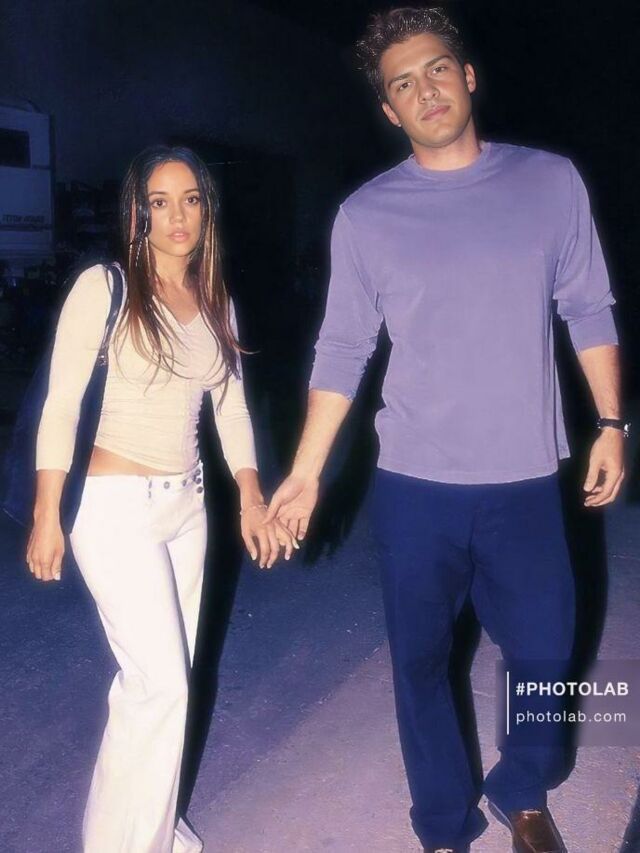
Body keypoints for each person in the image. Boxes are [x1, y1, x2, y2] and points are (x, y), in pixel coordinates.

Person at [266, 7, 626, 853]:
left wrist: (611, 421)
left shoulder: (550, 183)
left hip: (526, 478)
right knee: (420, 661)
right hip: (415, 485)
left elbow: (588, 306)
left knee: (546, 652)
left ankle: (523, 786)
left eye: (435, 69)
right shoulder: (366, 216)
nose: (423, 89)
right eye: (402, 83)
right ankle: (442, 824)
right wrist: (306, 472)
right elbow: (343, 347)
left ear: (467, 76)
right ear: (388, 109)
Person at [26, 145, 297, 852]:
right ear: (137, 213)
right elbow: (60, 405)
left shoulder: (214, 299)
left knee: (160, 688)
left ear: (207, 210)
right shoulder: (105, 286)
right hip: (113, 506)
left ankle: (147, 830)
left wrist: (250, 496)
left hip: (188, 508)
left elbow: (230, 406)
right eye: (159, 201)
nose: (177, 215)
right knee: (161, 685)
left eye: (191, 199)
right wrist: (46, 513)